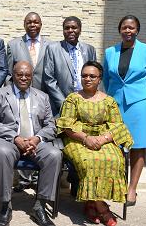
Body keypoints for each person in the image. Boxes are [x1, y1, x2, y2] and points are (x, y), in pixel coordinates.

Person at [0, 61, 61, 226]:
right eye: (20, 74)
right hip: (9, 141)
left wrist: (36, 138)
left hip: (35, 142)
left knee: (55, 154)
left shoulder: (42, 96)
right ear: (13, 75)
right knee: (3, 153)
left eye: (27, 75)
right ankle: (5, 205)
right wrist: (15, 137)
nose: (24, 78)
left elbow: (51, 125)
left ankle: (40, 206)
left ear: (32, 76)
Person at [57, 61, 133, 226]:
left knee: (114, 159)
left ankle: (91, 203)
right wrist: (86, 138)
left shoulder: (109, 101)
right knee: (89, 161)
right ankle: (101, 207)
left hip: (103, 138)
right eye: (84, 75)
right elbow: (66, 126)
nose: (88, 79)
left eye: (92, 76)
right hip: (77, 139)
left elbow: (118, 125)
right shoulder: (73, 99)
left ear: (100, 79)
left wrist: (103, 139)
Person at [103, 15, 146, 207]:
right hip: (116, 105)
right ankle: (117, 185)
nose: (128, 31)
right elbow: (106, 79)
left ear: (137, 30)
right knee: (115, 145)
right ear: (119, 30)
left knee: (138, 146)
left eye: (132, 28)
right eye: (124, 28)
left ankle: (132, 189)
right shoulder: (111, 52)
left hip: (140, 104)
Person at [6, 12, 52, 193]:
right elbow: (10, 74)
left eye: (36, 22)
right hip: (21, 95)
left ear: (41, 24)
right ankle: (24, 180)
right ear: (24, 24)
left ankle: (38, 179)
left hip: (42, 97)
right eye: (29, 22)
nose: (33, 25)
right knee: (24, 130)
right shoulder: (13, 45)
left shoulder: (51, 45)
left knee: (38, 134)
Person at [43, 16, 96, 116]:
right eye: (67, 28)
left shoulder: (90, 49)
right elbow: (49, 79)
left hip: (86, 103)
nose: (70, 30)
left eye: (74, 27)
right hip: (61, 105)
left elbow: (94, 76)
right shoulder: (53, 49)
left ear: (80, 30)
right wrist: (65, 104)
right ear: (63, 31)